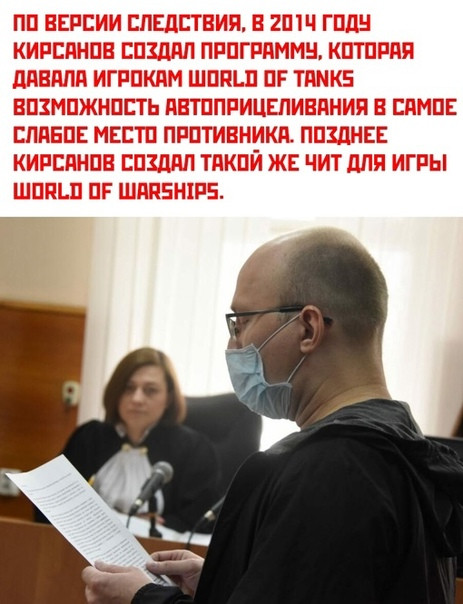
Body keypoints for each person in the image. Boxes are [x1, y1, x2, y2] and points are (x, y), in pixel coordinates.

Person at [82, 227, 463, 603]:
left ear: (308, 328)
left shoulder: (333, 468)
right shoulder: (398, 443)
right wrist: (227, 581)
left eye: (241, 321)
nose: (233, 343)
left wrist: (141, 598)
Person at [53, 347, 220, 533]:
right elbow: (54, 502)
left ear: (168, 398)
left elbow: (201, 522)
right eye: (128, 388)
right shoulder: (89, 437)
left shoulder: (194, 449)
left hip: (158, 549)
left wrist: (155, 526)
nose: (137, 398)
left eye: (150, 390)